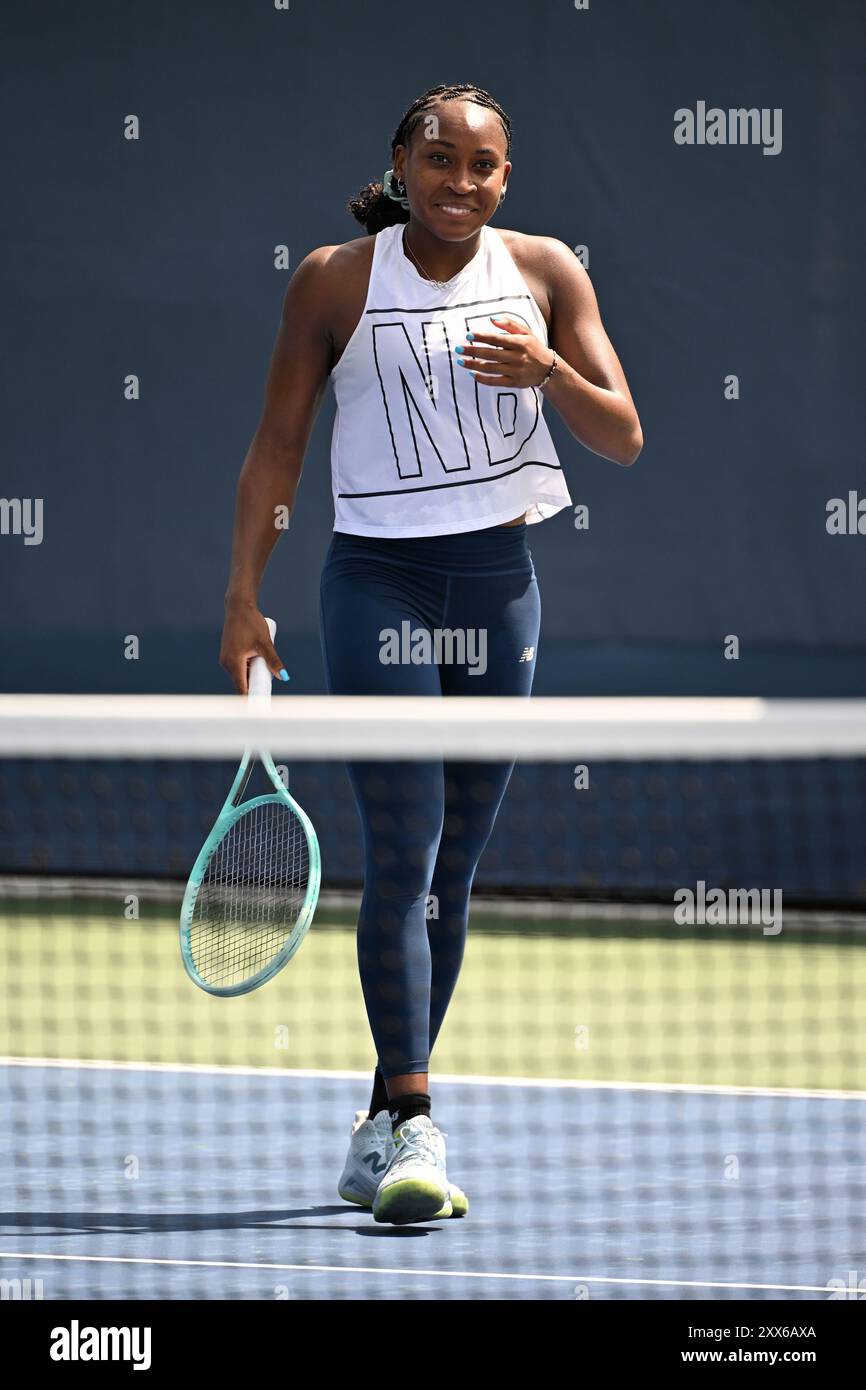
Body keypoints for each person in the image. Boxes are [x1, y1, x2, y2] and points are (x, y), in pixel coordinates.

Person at [219, 82, 642, 1225]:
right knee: (404, 847)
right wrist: (244, 597)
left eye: (485, 164)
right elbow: (277, 450)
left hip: (500, 590)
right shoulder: (331, 281)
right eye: (440, 159)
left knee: (452, 871)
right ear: (399, 165)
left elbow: (623, 435)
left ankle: (377, 1123)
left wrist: (547, 374)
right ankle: (414, 1118)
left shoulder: (547, 270)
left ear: (508, 175)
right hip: (378, 584)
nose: (463, 181)